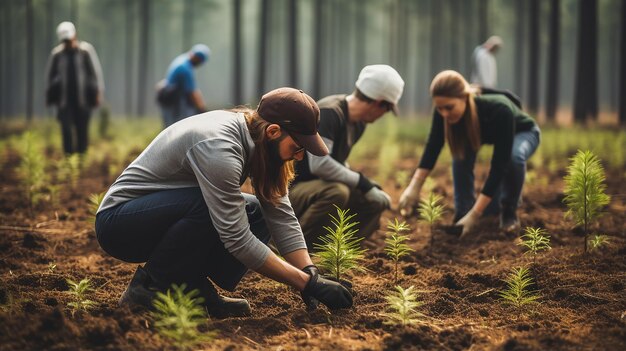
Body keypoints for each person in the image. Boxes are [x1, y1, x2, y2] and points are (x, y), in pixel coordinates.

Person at [95, 87, 353, 318]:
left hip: (159, 217)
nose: (299, 156)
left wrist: (310, 272)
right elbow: (236, 237)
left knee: (255, 210)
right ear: (274, 132)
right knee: (210, 207)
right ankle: (148, 287)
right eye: (298, 147)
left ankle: (191, 286)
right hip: (119, 224)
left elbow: (280, 212)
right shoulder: (220, 147)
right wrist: (304, 284)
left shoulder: (256, 136)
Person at [399, 70, 540, 236]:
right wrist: (414, 186)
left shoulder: (499, 109)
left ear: (465, 97)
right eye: (440, 108)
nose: (444, 113)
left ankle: (509, 211)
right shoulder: (444, 113)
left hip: (523, 132)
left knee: (512, 159)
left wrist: (475, 214)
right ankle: (462, 214)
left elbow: (499, 166)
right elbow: (433, 146)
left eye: (449, 107)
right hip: (482, 132)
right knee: (460, 156)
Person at [289, 65, 405, 246]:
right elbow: (319, 164)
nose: (384, 115)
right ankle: (293, 248)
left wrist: (367, 186)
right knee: (337, 192)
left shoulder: (358, 123)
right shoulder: (329, 112)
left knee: (372, 201)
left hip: (315, 187)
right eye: (387, 109)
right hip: (291, 189)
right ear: (378, 103)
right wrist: (362, 183)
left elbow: (339, 161)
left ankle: (340, 251)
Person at [45, 21, 104, 155]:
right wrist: (49, 95)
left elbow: (95, 73)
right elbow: (49, 76)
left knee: (82, 130)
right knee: (66, 131)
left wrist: (98, 92)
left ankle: (81, 160)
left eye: (69, 40)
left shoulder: (85, 51)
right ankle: (68, 159)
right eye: (64, 41)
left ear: (75, 36)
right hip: (64, 102)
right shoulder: (56, 55)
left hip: (83, 100)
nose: (67, 43)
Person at [158, 44, 211, 128]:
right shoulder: (185, 68)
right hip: (174, 100)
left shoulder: (182, 59)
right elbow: (192, 92)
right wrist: (202, 110)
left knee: (169, 127)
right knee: (177, 127)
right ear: (198, 59)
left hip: (168, 97)